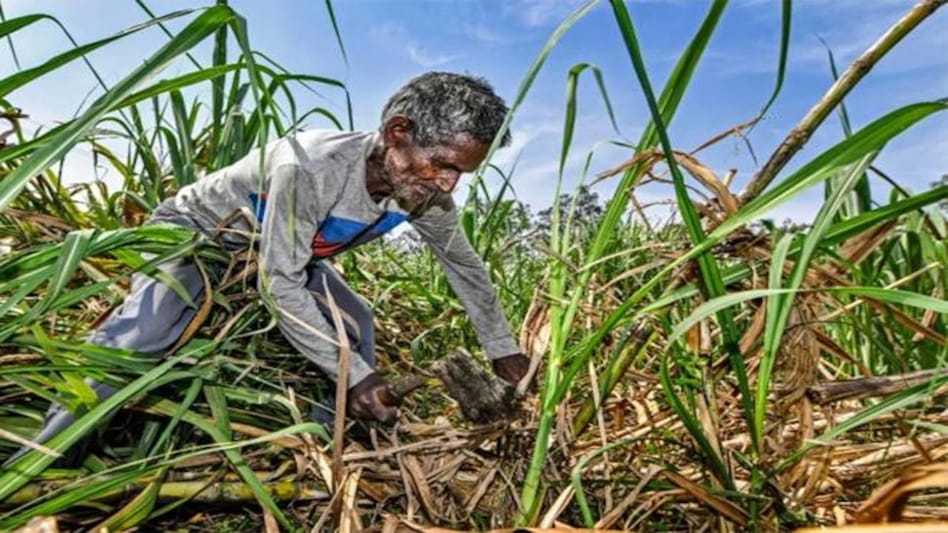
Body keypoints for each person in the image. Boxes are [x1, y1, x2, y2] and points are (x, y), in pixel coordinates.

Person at [7, 72, 530, 465]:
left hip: (279, 251)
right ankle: (47, 454)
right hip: (199, 233)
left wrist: (503, 349)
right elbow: (279, 284)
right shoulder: (310, 167)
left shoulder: (425, 197)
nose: (448, 184)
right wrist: (355, 374)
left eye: (462, 173)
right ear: (398, 132)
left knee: (357, 324)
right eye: (442, 163)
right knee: (149, 328)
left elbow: (466, 269)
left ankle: (328, 449)